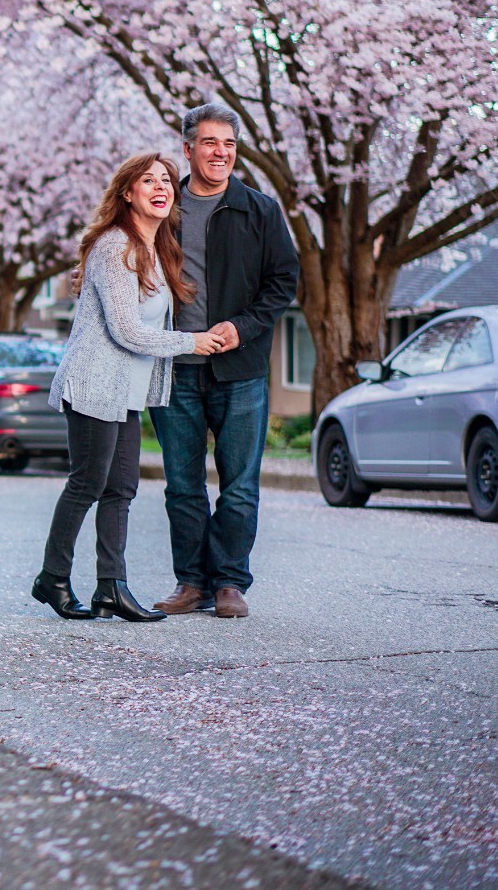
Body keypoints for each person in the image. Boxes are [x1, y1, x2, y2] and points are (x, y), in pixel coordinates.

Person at [34, 152, 226, 623]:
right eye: (148, 180)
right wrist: (192, 343)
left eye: (166, 180)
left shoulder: (157, 250)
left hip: (126, 390)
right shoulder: (114, 246)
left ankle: (111, 587)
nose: (161, 187)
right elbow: (126, 331)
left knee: (121, 487)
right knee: (88, 483)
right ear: (127, 193)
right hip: (94, 382)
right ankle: (52, 579)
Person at [150, 104, 299, 620]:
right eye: (210, 143)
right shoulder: (163, 211)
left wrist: (241, 327)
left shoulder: (259, 210)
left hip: (240, 369)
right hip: (175, 367)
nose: (221, 153)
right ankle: (191, 581)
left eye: (229, 144)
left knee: (239, 483)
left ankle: (230, 583)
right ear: (187, 148)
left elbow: (283, 283)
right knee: (183, 484)